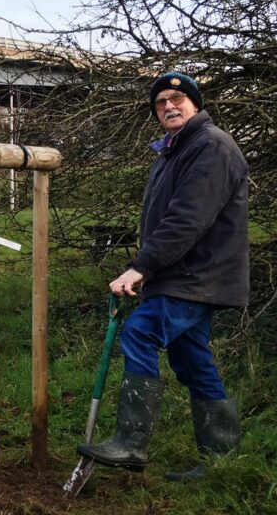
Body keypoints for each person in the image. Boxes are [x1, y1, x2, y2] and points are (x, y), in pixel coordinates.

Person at [77, 71, 249, 481]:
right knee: (192, 359)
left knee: (141, 333)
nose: (169, 106)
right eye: (161, 102)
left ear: (195, 103)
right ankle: (221, 459)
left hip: (196, 274)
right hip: (184, 275)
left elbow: (187, 221)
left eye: (177, 98)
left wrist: (140, 268)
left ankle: (130, 443)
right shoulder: (174, 150)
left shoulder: (211, 147)